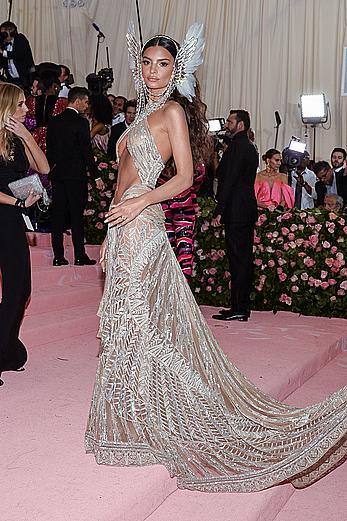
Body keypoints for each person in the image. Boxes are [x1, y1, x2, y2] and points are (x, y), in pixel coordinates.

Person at [85, 23, 347, 494]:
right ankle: (140, 421)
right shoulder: (140, 113)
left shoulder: (171, 113)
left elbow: (184, 178)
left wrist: (141, 204)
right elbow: (122, 178)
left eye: (163, 64)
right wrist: (109, 231)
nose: (152, 71)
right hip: (123, 229)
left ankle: (160, 422)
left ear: (176, 69)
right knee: (126, 326)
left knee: (142, 324)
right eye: (146, 63)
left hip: (143, 229)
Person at [0, 83, 49, 386]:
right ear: (6, 108)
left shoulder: (17, 140)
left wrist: (27, 135)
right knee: (15, 288)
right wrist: (18, 202)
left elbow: (43, 167)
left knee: (21, 289)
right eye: (20, 105)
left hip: (12, 218)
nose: (27, 110)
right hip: (4, 214)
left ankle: (7, 349)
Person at [46, 87, 105, 266]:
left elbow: (50, 151)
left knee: (57, 217)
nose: (87, 106)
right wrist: (96, 176)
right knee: (76, 216)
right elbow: (86, 152)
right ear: (77, 101)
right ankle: (80, 255)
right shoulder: (81, 123)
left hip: (57, 175)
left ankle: (58, 256)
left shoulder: (54, 121)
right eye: (86, 102)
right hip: (76, 176)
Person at [211, 109, 259, 322]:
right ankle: (240, 306)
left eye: (230, 121)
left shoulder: (238, 147)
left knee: (239, 260)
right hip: (244, 209)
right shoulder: (246, 146)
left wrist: (219, 210)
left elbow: (227, 180)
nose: (226, 124)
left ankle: (239, 308)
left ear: (241, 125)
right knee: (242, 259)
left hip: (237, 210)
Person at [0, 21, 34, 90]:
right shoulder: (3, 44)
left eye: (4, 33)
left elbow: (19, 55)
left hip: (24, 79)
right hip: (11, 80)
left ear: (11, 32)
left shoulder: (20, 39)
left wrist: (2, 52)